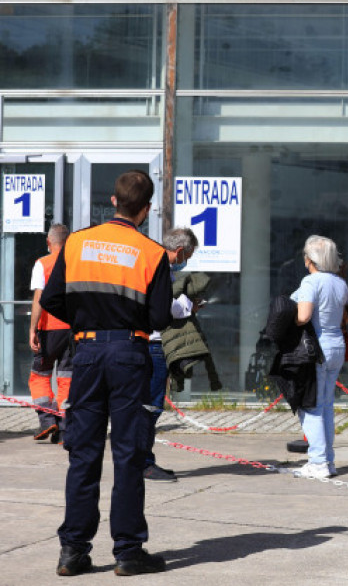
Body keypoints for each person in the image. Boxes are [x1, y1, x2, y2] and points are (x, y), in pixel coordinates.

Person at [40, 169, 172, 576]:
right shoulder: (152, 253)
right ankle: (129, 553)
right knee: (129, 454)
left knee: (84, 453)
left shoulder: (76, 242)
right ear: (146, 210)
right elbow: (160, 317)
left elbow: (51, 299)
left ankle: (73, 552)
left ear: (113, 202)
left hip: (88, 352)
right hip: (130, 353)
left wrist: (84, 322)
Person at [291, 235, 348, 478]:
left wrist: (289, 321)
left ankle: (317, 462)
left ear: (310, 259)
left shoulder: (310, 281)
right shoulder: (340, 283)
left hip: (315, 348)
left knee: (311, 406)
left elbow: (303, 316)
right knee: (326, 405)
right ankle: (328, 460)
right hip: (336, 345)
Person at [143, 227, 199, 482]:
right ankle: (143, 463)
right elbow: (163, 306)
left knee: (143, 406)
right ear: (179, 251)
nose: (185, 261)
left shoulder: (145, 260)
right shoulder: (161, 268)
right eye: (187, 255)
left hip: (141, 341)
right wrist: (188, 306)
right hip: (154, 343)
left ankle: (139, 461)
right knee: (151, 407)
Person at [27, 223, 71, 444]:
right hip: (72, 331)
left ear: (49, 242)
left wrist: (32, 328)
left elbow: (39, 299)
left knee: (39, 377)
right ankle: (64, 430)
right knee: (66, 381)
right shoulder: (75, 263)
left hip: (48, 330)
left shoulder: (42, 264)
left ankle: (47, 421)